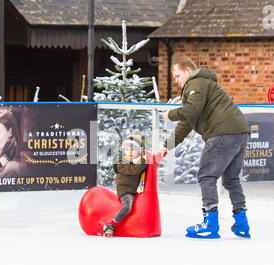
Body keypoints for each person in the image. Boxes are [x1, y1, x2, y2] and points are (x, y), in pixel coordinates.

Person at [159, 56, 251, 239]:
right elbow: (188, 122)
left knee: (206, 175)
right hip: (240, 132)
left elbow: (189, 112)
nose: (176, 81)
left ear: (187, 71)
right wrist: (166, 146)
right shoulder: (203, 85)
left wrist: (170, 114)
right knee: (231, 179)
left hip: (222, 133)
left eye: (177, 76)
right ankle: (242, 223)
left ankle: (210, 223)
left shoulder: (196, 83)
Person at [102, 135, 147, 237]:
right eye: (127, 149)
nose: (130, 152)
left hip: (135, 190)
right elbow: (133, 171)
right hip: (125, 190)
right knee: (127, 207)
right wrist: (143, 161)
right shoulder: (121, 161)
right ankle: (110, 225)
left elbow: (143, 171)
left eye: (133, 150)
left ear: (139, 151)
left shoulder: (138, 161)